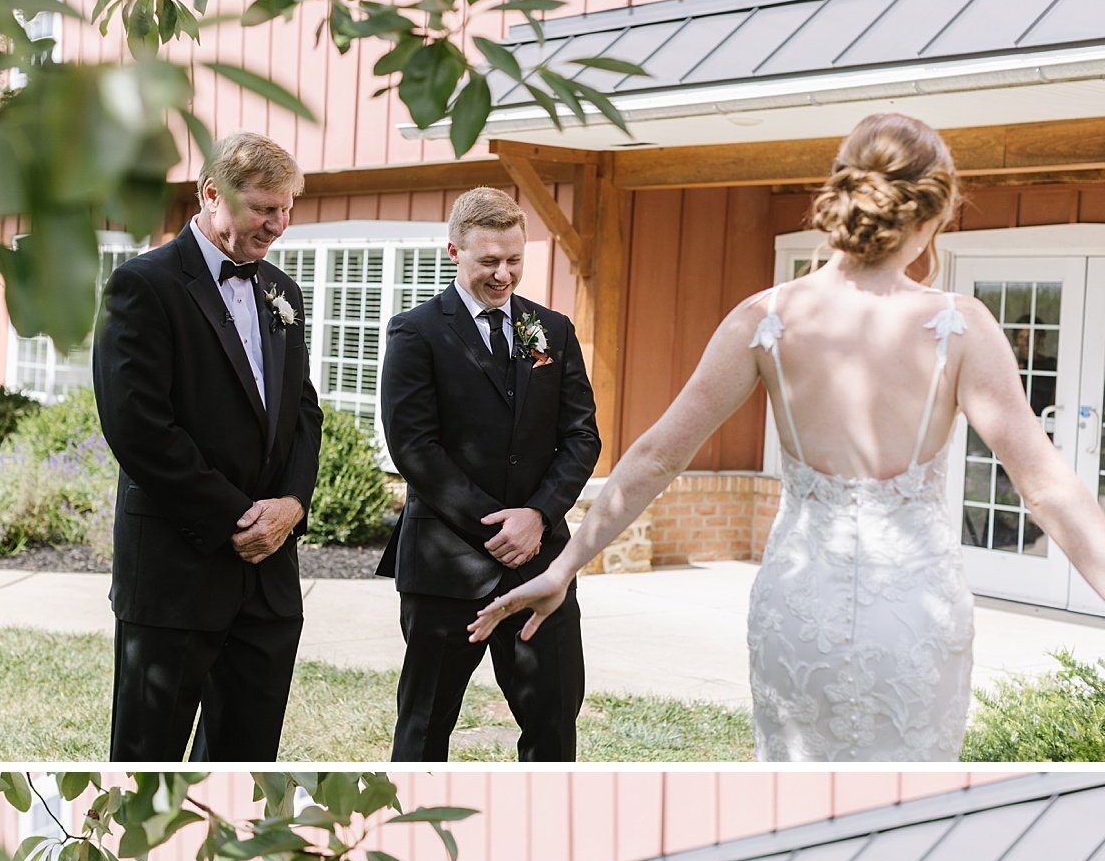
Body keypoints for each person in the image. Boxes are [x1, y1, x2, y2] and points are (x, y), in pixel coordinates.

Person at [467, 111, 1105, 765]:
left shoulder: (765, 318)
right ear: (932, 214)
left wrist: (567, 567)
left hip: (800, 612)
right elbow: (1047, 485)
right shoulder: (958, 326)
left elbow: (659, 454)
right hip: (915, 616)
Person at [93, 133, 322, 764]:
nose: (277, 225)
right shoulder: (142, 285)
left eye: (286, 209)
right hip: (176, 571)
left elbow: (303, 412)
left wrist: (291, 506)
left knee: (246, 761)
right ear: (212, 193)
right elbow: (137, 426)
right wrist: (232, 519)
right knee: (148, 759)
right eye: (263, 209)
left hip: (269, 577)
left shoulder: (284, 293)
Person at [379, 184, 600, 760]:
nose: (503, 275)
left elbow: (582, 435)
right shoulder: (416, 332)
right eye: (489, 261)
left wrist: (539, 516)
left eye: (514, 260)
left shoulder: (553, 330)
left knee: (553, 720)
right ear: (454, 252)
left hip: (541, 562)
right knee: (426, 724)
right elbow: (414, 447)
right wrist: (497, 528)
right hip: (446, 565)